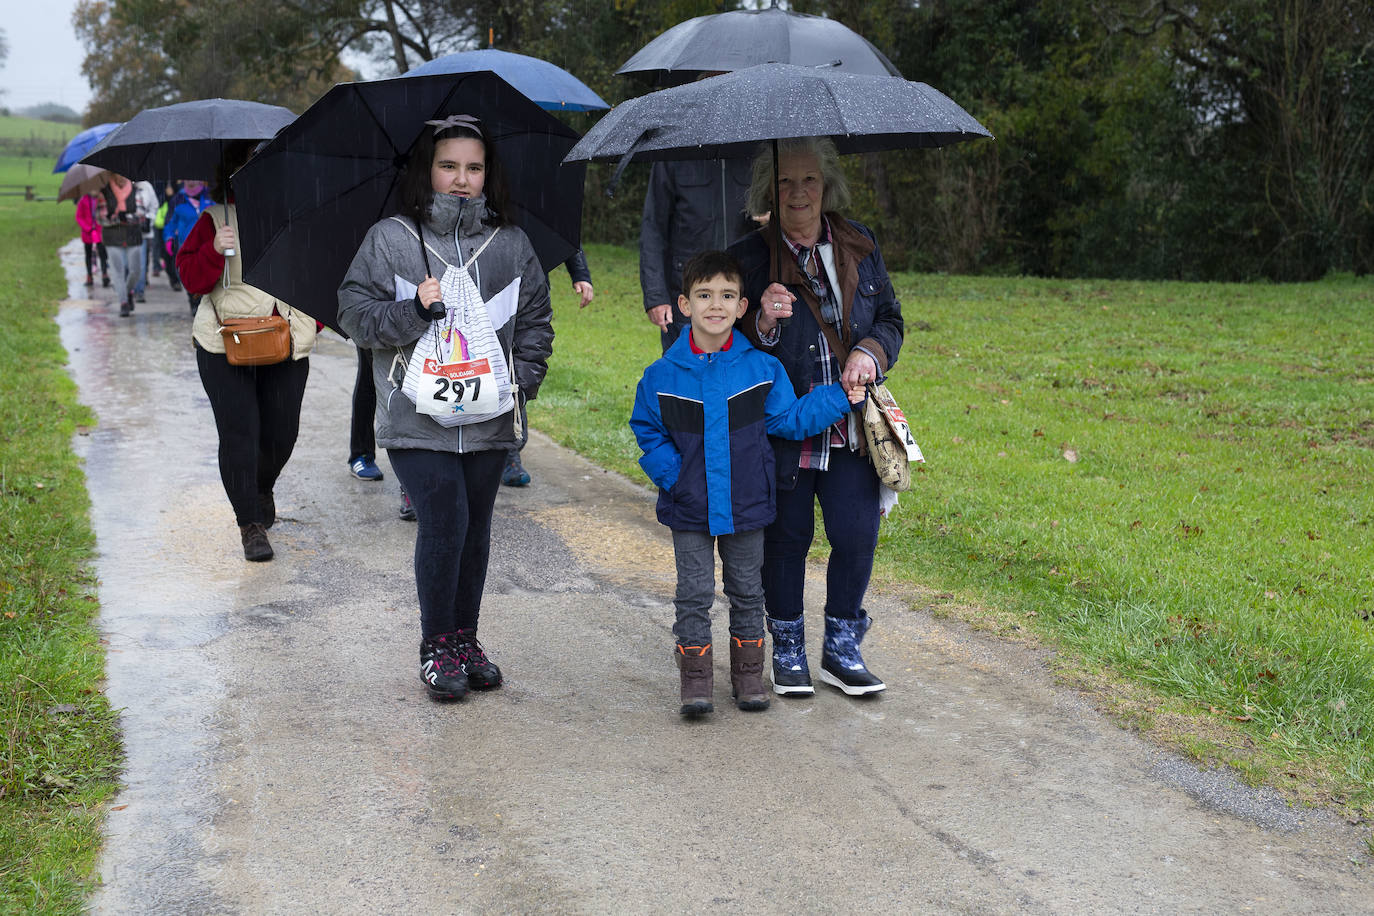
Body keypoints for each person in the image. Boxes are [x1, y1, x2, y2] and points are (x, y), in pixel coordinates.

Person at [338, 114, 553, 703]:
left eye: (474, 168)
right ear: (427, 170)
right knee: (446, 520)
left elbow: (536, 319)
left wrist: (522, 382)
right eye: (449, 166)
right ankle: (437, 644)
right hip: (415, 420)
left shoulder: (510, 243)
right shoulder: (391, 238)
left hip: (488, 419)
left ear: (488, 175)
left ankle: (466, 640)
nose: (461, 179)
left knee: (476, 531)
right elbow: (353, 315)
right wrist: (414, 311)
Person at [631, 250, 864, 717]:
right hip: (690, 505)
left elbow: (791, 418)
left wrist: (841, 395)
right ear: (684, 304)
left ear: (742, 307)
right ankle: (695, 680)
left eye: (727, 296)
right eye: (704, 295)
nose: (715, 306)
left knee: (747, 589)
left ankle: (748, 676)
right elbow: (647, 430)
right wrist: (674, 477)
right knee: (693, 592)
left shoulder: (762, 369)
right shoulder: (661, 376)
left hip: (747, 502)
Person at [728, 137, 905, 698]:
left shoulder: (858, 242)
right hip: (786, 427)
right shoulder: (750, 258)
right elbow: (726, 342)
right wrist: (764, 321)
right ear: (768, 192)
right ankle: (786, 646)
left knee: (857, 536)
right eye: (785, 182)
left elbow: (893, 319)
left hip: (851, 424)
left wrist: (870, 353)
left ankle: (842, 647)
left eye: (809, 181)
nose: (798, 193)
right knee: (787, 539)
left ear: (826, 185)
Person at [176, 141, 318, 563]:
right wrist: (212, 249)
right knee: (240, 434)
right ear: (232, 174)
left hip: (287, 343)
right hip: (223, 346)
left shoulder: (297, 217)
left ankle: (259, 486)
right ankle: (250, 523)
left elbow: (319, 275)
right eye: (248, 167)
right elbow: (190, 279)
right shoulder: (214, 219)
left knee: (281, 433)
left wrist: (314, 320)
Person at [501, 249, 595, 487]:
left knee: (516, 365)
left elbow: (560, 227)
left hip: (530, 289)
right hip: (485, 285)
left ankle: (511, 452)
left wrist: (580, 273)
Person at [640, 158, 755, 352]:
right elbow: (653, 228)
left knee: (741, 373)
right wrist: (656, 296)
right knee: (684, 373)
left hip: (744, 291)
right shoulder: (673, 152)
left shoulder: (754, 147)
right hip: (686, 291)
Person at [94, 173, 148, 317]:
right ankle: (123, 302)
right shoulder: (104, 192)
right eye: (118, 174)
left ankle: (129, 291)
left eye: (124, 175)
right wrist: (117, 219)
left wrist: (126, 217)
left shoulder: (137, 190)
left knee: (136, 270)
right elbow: (101, 217)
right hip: (112, 236)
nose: (121, 177)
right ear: (112, 174)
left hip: (133, 235)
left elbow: (142, 213)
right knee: (117, 271)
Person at [164, 179, 214, 311]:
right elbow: (170, 221)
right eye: (188, 179)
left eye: (194, 179)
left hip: (207, 243)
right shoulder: (178, 199)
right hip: (186, 244)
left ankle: (202, 299)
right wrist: (169, 237)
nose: (191, 182)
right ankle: (192, 298)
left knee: (205, 272)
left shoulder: (211, 196)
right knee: (188, 273)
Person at [132, 179, 159, 302]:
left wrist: (148, 219)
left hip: (142, 233)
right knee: (128, 264)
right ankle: (129, 289)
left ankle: (139, 291)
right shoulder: (122, 187)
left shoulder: (146, 186)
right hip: (126, 231)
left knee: (141, 263)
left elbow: (154, 205)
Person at [76, 191, 109, 288]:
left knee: (103, 253)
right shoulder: (83, 200)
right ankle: (89, 275)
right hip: (88, 232)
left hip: (100, 231)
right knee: (88, 254)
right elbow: (79, 217)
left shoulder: (101, 199)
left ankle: (104, 273)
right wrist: (87, 228)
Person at [154, 182, 183, 291]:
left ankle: (177, 280)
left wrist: (172, 195)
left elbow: (183, 198)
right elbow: (156, 201)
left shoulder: (180, 180)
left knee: (177, 254)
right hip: (163, 224)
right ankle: (173, 278)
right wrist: (165, 195)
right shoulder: (159, 180)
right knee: (167, 255)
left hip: (179, 225)